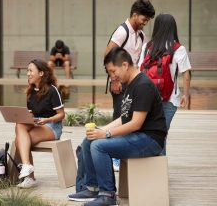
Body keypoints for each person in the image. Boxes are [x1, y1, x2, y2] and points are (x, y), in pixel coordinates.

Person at [68, 47, 166, 206]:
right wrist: (101, 130)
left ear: (125, 65)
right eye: (110, 73)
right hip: (137, 136)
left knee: (99, 146)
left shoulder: (143, 85)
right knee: (89, 141)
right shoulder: (130, 84)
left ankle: (108, 195)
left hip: (150, 140)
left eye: (113, 71)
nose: (113, 76)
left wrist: (105, 134)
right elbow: (124, 118)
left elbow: (136, 123)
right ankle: (93, 188)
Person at [104, 0, 155, 171]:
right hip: (120, 81)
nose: (145, 22)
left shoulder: (141, 35)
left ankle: (120, 154)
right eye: (144, 18)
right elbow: (108, 56)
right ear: (134, 14)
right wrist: (115, 80)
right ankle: (114, 156)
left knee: (128, 117)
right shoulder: (122, 31)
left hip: (133, 82)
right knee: (119, 115)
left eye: (148, 20)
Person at [138, 13, 191, 154]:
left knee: (152, 133)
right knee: (161, 134)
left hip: (148, 98)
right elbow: (186, 74)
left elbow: (139, 70)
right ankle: (158, 170)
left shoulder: (147, 47)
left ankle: (155, 169)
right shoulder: (178, 48)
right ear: (173, 28)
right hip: (170, 98)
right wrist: (185, 95)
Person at [15, 59, 65, 188]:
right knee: (19, 124)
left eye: (31, 70)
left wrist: (47, 120)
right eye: (27, 71)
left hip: (52, 126)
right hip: (37, 123)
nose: (28, 73)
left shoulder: (53, 91)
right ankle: (27, 167)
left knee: (20, 141)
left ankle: (29, 176)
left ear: (41, 73)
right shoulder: (31, 92)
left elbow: (61, 115)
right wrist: (26, 118)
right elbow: (32, 114)